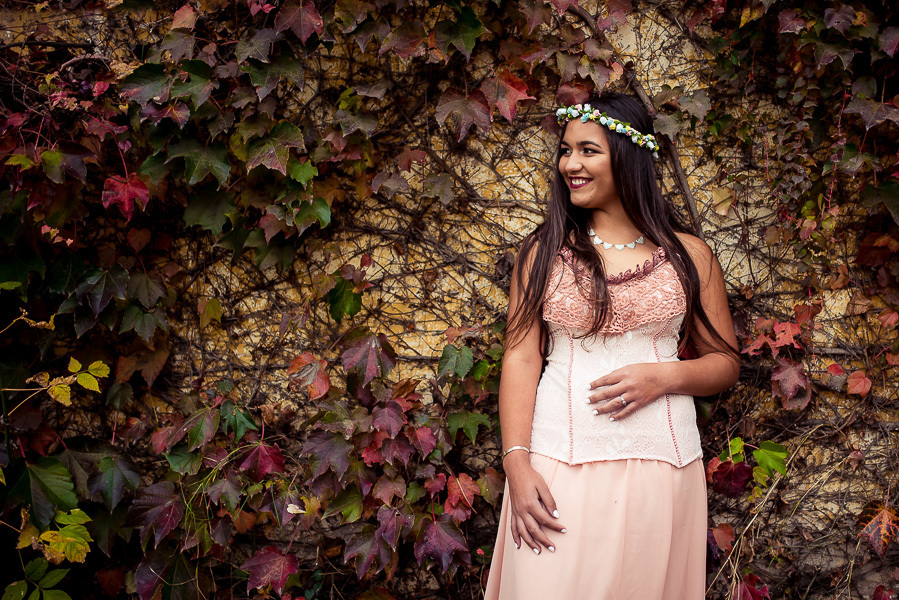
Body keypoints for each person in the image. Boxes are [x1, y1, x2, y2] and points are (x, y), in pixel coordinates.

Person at [483, 93, 740, 600]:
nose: (570, 165)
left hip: (660, 472)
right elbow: (521, 356)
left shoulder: (690, 255)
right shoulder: (542, 252)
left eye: (587, 150)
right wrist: (516, 462)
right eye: (565, 150)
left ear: (629, 155)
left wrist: (665, 377)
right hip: (556, 466)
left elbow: (725, 364)